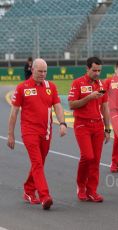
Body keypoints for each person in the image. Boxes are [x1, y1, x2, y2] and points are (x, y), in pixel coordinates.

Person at [7, 58, 67, 210]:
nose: (43, 74)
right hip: (29, 131)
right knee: (37, 163)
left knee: (39, 163)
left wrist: (62, 123)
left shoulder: (51, 86)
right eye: (40, 71)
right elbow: (13, 112)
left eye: (45, 71)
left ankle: (28, 190)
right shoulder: (22, 87)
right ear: (32, 70)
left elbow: (58, 106)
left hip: (46, 131)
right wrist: (11, 135)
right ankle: (45, 196)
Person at [68, 56, 110, 203]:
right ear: (87, 69)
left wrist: (108, 129)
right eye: (94, 70)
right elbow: (72, 105)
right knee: (88, 156)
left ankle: (92, 190)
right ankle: (81, 186)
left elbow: (105, 107)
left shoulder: (102, 84)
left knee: (96, 160)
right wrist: (89, 97)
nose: (97, 73)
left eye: (99, 70)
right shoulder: (78, 83)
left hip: (98, 125)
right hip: (82, 124)